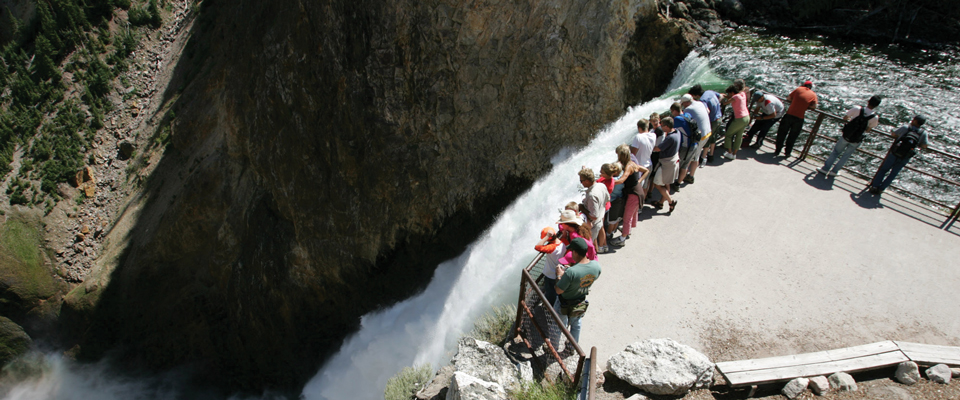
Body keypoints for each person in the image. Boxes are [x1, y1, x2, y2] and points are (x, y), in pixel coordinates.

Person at [818, 96, 882, 177]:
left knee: (836, 152)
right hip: (857, 139)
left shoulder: (857, 109)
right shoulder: (875, 117)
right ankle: (834, 171)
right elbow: (868, 129)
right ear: (877, 106)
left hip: (847, 135)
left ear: (868, 101)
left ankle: (825, 169)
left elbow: (845, 117)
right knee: (845, 156)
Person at [555, 237, 601, 343]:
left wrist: (559, 275)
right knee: (576, 324)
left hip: (564, 303)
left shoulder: (571, 272)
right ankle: (572, 347)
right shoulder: (596, 266)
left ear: (575, 252)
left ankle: (553, 350)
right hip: (580, 301)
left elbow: (558, 290)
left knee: (558, 326)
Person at [868, 115, 929, 195]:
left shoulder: (905, 127)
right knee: (893, 174)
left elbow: (893, 134)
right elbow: (925, 145)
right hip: (905, 156)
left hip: (894, 152)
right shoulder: (923, 133)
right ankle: (881, 189)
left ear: (915, 121)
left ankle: (874, 186)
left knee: (884, 170)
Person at [609, 144, 650, 246]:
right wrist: (639, 181)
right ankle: (628, 230)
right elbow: (646, 170)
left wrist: (609, 182)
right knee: (633, 213)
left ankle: (622, 239)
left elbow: (622, 179)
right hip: (638, 191)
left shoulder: (628, 167)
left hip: (633, 194)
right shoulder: (632, 163)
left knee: (627, 217)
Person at [775, 80, 818, 157]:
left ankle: (777, 150)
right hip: (799, 118)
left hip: (789, 115)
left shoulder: (798, 89)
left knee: (782, 133)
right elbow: (814, 106)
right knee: (793, 136)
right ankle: (787, 152)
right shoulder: (813, 95)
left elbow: (788, 98)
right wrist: (807, 106)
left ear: (803, 85)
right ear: (811, 87)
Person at [680, 94, 711, 184]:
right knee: (696, 155)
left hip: (700, 136)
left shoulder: (688, 109)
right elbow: (707, 112)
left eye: (683, 104)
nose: (683, 106)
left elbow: (684, 120)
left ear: (686, 102)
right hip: (708, 131)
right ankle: (689, 175)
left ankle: (689, 176)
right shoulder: (700, 103)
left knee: (693, 157)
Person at [688, 84, 722, 164]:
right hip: (719, 117)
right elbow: (720, 96)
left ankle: (703, 158)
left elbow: (707, 111)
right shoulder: (709, 92)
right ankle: (711, 155)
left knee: (707, 139)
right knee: (713, 137)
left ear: (696, 95)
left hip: (712, 121)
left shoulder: (703, 100)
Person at [579, 168, 610, 253]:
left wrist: (582, 208)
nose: (581, 183)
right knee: (593, 243)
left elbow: (594, 216)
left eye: (581, 181)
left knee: (588, 247)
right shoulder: (601, 185)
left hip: (593, 225)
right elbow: (607, 199)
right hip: (600, 220)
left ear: (587, 181)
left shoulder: (592, 195)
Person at [652, 117, 680, 213]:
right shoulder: (677, 132)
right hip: (673, 161)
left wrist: (648, 146)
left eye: (662, 125)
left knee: (657, 184)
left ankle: (671, 201)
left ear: (667, 126)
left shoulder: (670, 138)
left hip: (667, 164)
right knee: (666, 183)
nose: (660, 126)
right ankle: (661, 203)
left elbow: (658, 149)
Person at [534, 227, 564, 310]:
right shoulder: (563, 243)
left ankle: (550, 309)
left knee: (550, 293)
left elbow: (537, 247)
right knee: (557, 292)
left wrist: (546, 237)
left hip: (550, 275)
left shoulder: (551, 248)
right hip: (559, 272)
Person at [721, 84, 750, 160]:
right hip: (746, 117)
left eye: (729, 93)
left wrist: (723, 98)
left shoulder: (735, 97)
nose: (728, 95)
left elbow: (725, 103)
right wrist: (728, 96)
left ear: (732, 92)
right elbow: (733, 98)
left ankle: (730, 153)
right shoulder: (742, 94)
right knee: (739, 136)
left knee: (728, 135)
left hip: (739, 119)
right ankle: (734, 153)